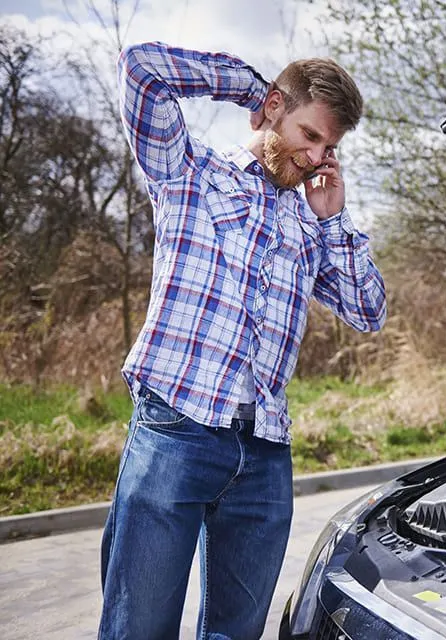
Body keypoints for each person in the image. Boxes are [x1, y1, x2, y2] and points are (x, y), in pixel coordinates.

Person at [98, 41, 386, 640]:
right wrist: (248, 87)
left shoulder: (311, 224)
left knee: (237, 632)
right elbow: (141, 70)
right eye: (309, 136)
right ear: (276, 107)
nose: (316, 157)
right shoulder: (189, 172)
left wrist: (334, 221)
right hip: (177, 429)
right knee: (139, 627)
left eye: (329, 147)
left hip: (264, 450)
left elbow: (369, 309)